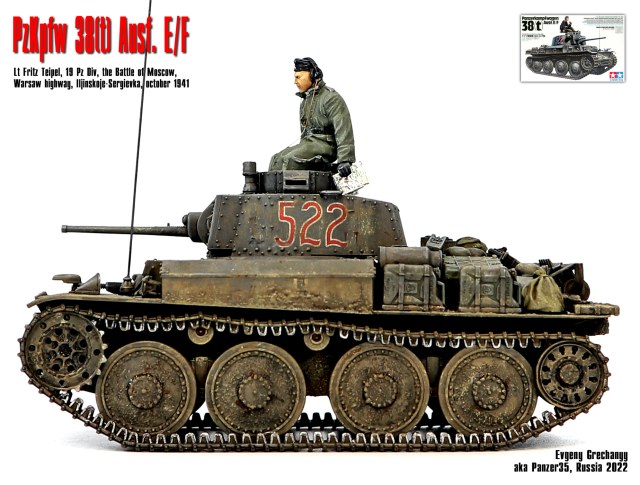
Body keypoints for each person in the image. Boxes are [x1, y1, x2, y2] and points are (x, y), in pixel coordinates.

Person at [269, 58, 355, 177]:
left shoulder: (330, 98)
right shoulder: (306, 100)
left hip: (326, 145)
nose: (295, 81)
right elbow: (304, 131)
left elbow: (343, 129)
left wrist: (345, 159)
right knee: (276, 159)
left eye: (298, 77)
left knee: (290, 160)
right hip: (309, 143)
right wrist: (302, 148)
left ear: (313, 75)